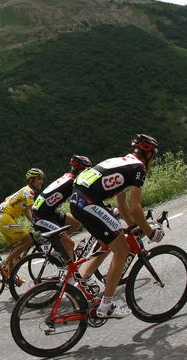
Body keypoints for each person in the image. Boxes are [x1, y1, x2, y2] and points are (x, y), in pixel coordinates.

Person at [70, 134, 162, 319]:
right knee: (122, 249)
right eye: (154, 155)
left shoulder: (124, 163)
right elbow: (135, 207)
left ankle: (79, 284)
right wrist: (150, 232)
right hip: (88, 202)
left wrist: (134, 227)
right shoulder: (139, 169)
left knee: (108, 243)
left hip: (78, 199)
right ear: (149, 154)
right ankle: (105, 307)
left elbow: (123, 207)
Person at [31, 156, 92, 260]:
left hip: (48, 212)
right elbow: (82, 200)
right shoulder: (72, 182)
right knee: (69, 244)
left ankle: (59, 246)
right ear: (81, 171)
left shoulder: (68, 176)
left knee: (76, 223)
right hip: (40, 216)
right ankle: (70, 273)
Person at [0, 168, 44, 283]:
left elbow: (27, 211)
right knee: (28, 241)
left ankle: (12, 278)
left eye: (41, 179)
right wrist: (42, 222)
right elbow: (33, 209)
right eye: (39, 179)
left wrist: (34, 223)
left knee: (14, 250)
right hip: (6, 218)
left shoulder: (24, 191)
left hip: (1, 219)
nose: (41, 181)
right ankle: (4, 264)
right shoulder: (29, 192)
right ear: (31, 180)